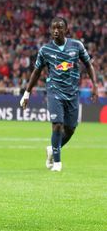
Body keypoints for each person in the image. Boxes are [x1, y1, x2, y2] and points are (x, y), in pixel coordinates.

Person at [20, 17, 98, 172]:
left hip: (72, 93)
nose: (56, 31)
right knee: (57, 125)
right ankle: (57, 163)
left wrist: (94, 85)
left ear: (66, 29)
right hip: (54, 91)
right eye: (53, 28)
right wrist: (27, 93)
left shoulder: (77, 46)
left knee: (70, 129)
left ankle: (53, 149)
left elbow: (89, 65)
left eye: (60, 27)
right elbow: (36, 72)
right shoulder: (45, 50)